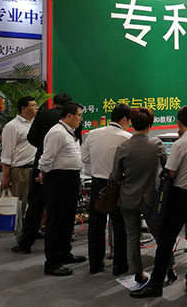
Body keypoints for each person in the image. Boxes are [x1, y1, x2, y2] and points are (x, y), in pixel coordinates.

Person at [131, 106, 187, 298]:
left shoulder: (180, 144)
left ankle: (156, 285)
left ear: (179, 123)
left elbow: (171, 171)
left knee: (166, 241)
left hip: (180, 197)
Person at [13, 93, 80, 254]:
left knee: (36, 205)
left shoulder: (44, 115)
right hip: (54, 169)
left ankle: (26, 242)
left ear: (54, 103)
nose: (80, 118)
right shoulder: (66, 124)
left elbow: (31, 137)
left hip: (44, 165)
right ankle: (62, 248)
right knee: (62, 212)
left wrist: (44, 147)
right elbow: (78, 140)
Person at [111, 107, 168, 285]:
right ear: (150, 125)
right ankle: (169, 267)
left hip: (127, 198)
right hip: (151, 198)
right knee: (159, 234)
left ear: (132, 123)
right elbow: (167, 168)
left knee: (132, 237)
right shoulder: (157, 144)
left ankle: (137, 272)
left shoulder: (123, 147)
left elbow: (115, 176)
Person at [81, 103, 132, 275]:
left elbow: (84, 158)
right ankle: (120, 265)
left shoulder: (93, 134)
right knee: (119, 225)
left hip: (97, 184)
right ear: (124, 119)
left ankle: (95, 264)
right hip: (117, 185)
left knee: (96, 224)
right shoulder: (126, 137)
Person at [38, 102, 86, 276]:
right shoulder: (57, 132)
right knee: (56, 221)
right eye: (79, 115)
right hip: (58, 180)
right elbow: (46, 158)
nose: (80, 119)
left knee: (67, 219)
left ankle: (65, 253)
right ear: (69, 115)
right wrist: (43, 174)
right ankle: (52, 262)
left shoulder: (68, 132)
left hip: (70, 179)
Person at [1, 96, 38, 213]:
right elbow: (7, 153)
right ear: (23, 108)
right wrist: (5, 175)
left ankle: (30, 224)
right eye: (33, 106)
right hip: (20, 170)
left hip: (35, 168)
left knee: (33, 202)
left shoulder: (35, 124)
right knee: (20, 201)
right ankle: (19, 224)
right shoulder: (12, 126)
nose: (36, 108)